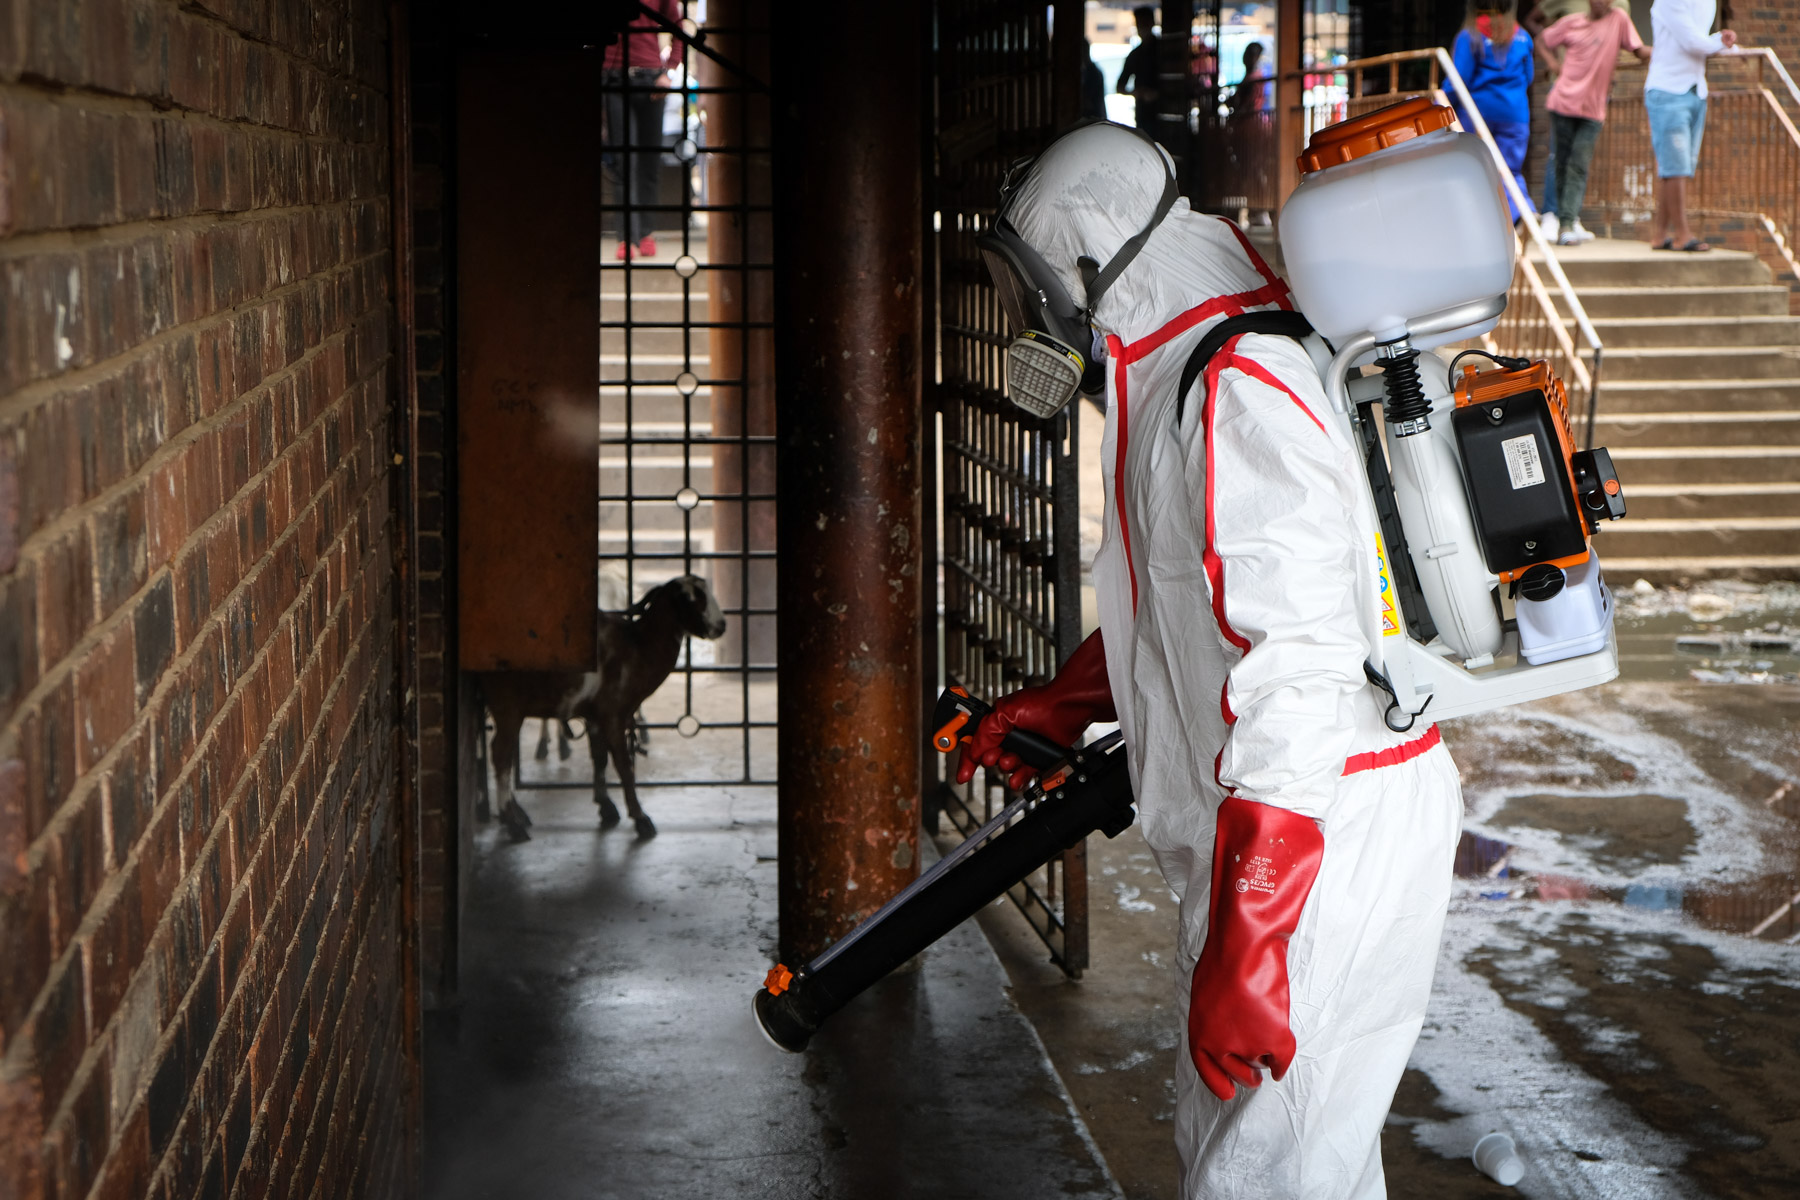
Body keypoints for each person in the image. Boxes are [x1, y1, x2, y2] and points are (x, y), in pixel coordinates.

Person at [966, 122, 1465, 1199]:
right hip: (1292, 839)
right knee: (1278, 1163)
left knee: (1266, 1180)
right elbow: (1201, 597)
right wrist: (1069, 699)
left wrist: (1254, 940)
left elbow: (1301, 664)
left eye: (1030, 285)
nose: (1029, 319)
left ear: (1092, 264)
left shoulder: (1239, 379)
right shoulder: (1188, 364)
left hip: (1321, 837)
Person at [1540, 0, 1651, 243]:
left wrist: (1669, 52)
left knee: (1578, 164)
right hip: (1563, 102)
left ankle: (1568, 222)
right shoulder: (1572, 22)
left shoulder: (1619, 19)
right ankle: (1556, 217)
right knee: (1560, 161)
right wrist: (1552, 64)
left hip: (1593, 109)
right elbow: (1543, 40)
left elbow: (1639, 50)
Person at [1645, 0, 1735, 250]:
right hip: (1667, 90)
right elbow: (1693, 42)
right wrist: (1721, 40)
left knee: (1675, 167)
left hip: (1695, 89)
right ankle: (1683, 235)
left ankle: (1660, 234)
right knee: (1675, 168)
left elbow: (1703, 40)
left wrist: (1721, 41)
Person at [603, 0, 680, 260]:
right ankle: (627, 237)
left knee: (649, 160)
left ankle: (646, 232)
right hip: (613, 77)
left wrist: (669, 70)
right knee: (624, 162)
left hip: (651, 78)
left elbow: (680, 27)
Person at [1452, 1, 1538, 221]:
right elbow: (1528, 77)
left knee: (1473, 169)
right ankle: (1522, 210)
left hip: (1478, 113)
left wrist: (1435, 104)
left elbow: (1457, 81)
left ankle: (1479, 221)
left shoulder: (1470, 35)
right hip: (1515, 114)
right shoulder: (1522, 36)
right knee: (1511, 170)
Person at [1116, 6, 1162, 130]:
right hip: (1143, 115)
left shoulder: (1163, 51)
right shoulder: (1135, 55)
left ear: (1152, 23)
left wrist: (1157, 94)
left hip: (1163, 112)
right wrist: (1137, 93)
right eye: (1139, 24)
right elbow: (1120, 86)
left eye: (1144, 23)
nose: (1141, 28)